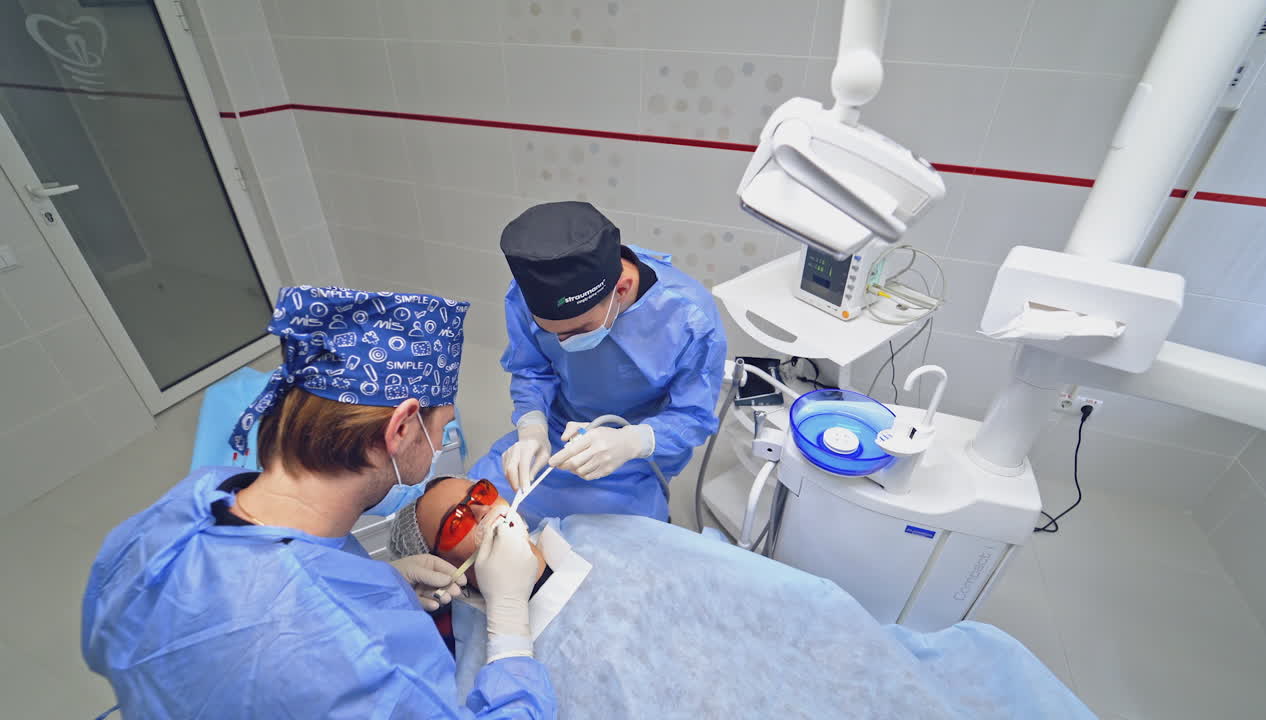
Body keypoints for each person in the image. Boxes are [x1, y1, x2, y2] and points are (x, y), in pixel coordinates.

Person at [81, 286, 556, 719]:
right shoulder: (361, 663)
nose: (440, 440)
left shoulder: (191, 502)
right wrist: (511, 621)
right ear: (403, 427)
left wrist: (377, 584)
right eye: (439, 425)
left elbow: (112, 648)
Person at [389, 477, 1094, 719]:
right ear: (445, 566)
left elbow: (782, 600)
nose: (483, 517)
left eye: (480, 496)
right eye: (458, 522)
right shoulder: (490, 657)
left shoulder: (602, 531)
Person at [469, 201, 728, 524]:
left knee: (626, 551)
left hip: (633, 459)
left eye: (579, 330)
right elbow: (531, 370)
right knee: (474, 508)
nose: (566, 344)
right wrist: (532, 428)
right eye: (554, 333)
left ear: (622, 289)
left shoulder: (689, 318)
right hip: (554, 437)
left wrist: (632, 441)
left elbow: (693, 416)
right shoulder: (527, 295)